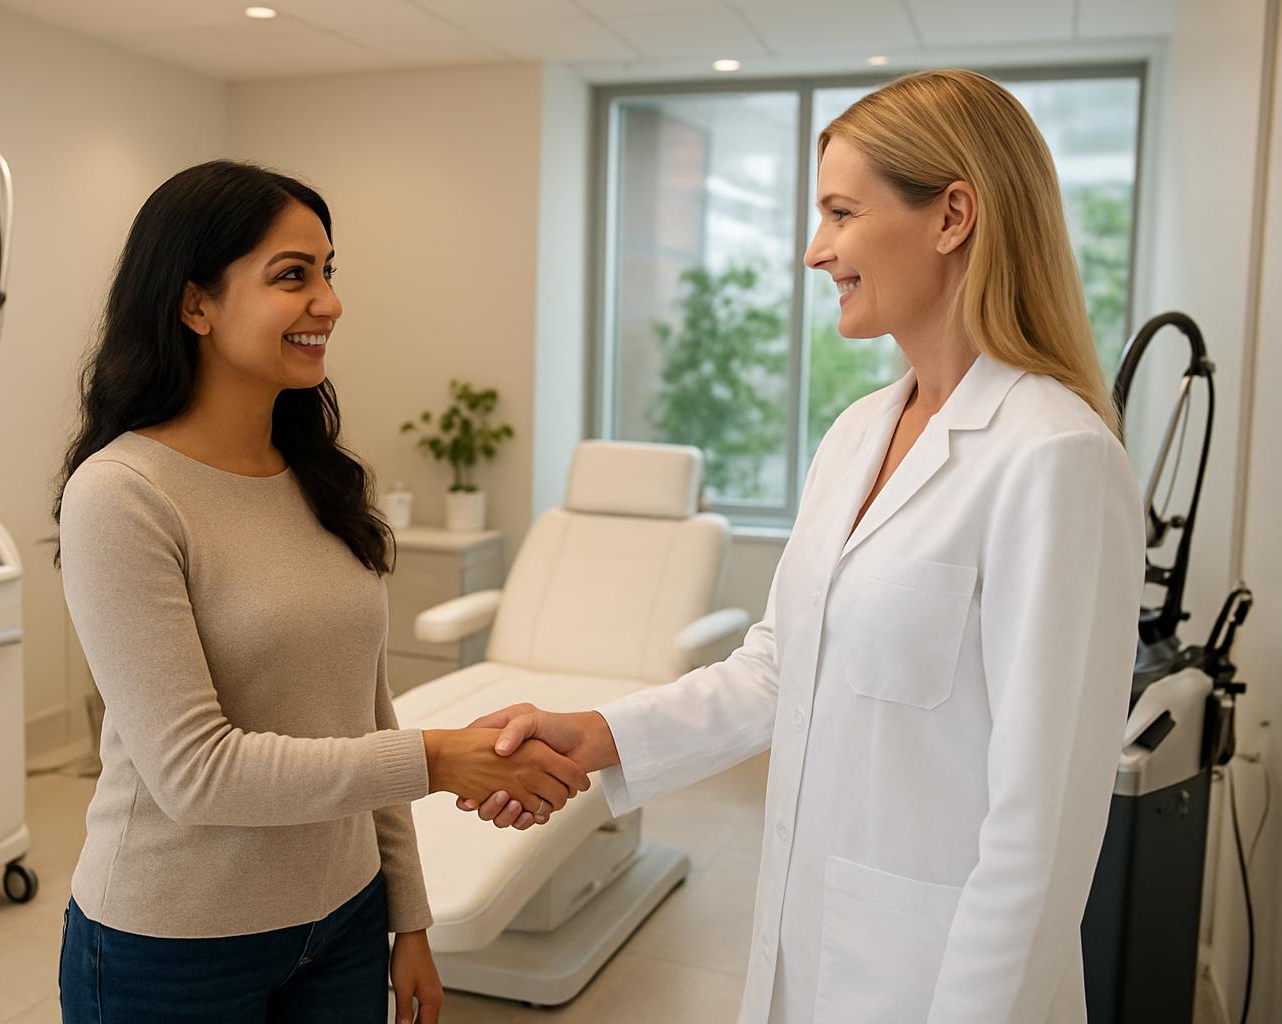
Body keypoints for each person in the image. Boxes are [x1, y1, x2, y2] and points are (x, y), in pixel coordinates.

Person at [462, 69, 1145, 1024]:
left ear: (953, 216)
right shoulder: (858, 433)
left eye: (840, 213)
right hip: (805, 946)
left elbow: (1045, 826)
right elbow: (779, 670)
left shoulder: (1055, 457)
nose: (814, 250)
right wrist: (599, 735)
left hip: (942, 984)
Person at [53, 160, 587, 1024]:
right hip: (177, 945)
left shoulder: (323, 479)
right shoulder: (122, 496)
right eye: (292, 276)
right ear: (195, 304)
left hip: (344, 920)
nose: (329, 302)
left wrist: (407, 915)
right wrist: (438, 759)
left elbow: (364, 710)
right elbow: (195, 772)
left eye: (328, 272)